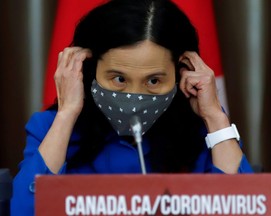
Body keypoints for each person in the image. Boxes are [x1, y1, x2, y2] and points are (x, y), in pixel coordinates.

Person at [11, 0, 254, 215]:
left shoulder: (205, 133)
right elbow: (26, 211)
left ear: (182, 74)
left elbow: (245, 208)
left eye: (154, 81)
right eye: (118, 79)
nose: (133, 96)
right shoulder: (50, 128)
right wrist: (67, 114)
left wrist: (214, 117)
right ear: (90, 70)